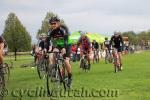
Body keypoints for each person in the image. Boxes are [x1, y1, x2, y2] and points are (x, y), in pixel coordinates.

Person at [47, 16, 72, 87]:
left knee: (66, 61)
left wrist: (64, 48)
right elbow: (47, 41)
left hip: (67, 44)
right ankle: (55, 70)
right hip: (59, 45)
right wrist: (45, 49)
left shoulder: (63, 28)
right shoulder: (50, 31)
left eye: (54, 23)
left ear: (58, 23)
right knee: (54, 53)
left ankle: (70, 77)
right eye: (51, 24)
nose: (53, 25)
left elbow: (66, 40)